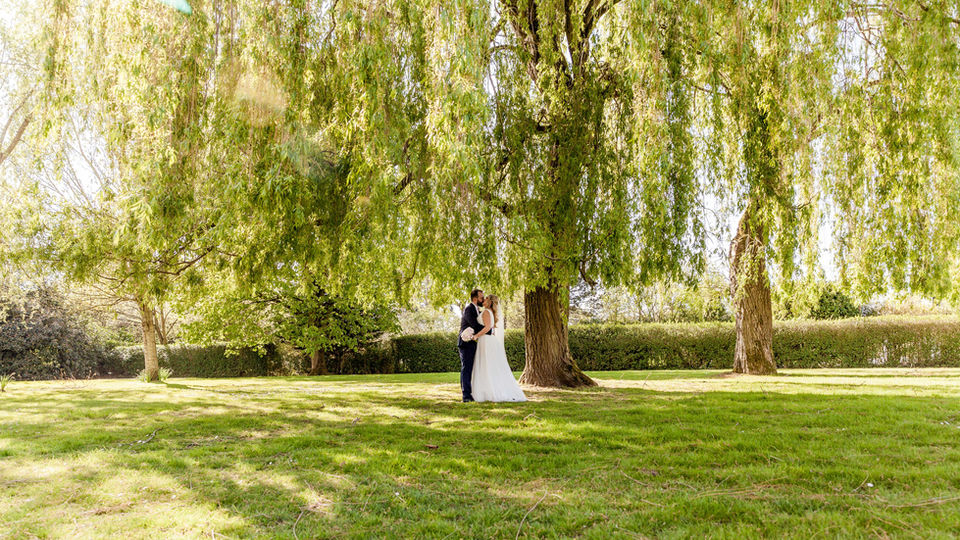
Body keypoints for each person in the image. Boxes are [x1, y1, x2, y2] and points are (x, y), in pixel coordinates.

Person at [470, 294, 526, 402]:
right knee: (489, 366)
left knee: (485, 365)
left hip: (485, 340)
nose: (483, 301)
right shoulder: (491, 312)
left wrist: (476, 336)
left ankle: (487, 392)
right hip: (489, 340)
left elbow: (487, 327)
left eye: (486, 299)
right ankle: (489, 390)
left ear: (490, 302)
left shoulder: (486, 312)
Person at [457, 289, 486, 402]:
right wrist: (487, 331)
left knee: (471, 369)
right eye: (481, 297)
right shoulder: (469, 309)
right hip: (465, 343)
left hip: (472, 343)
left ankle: (471, 393)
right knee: (467, 369)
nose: (482, 299)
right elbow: (474, 324)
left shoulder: (477, 309)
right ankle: (466, 396)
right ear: (475, 298)